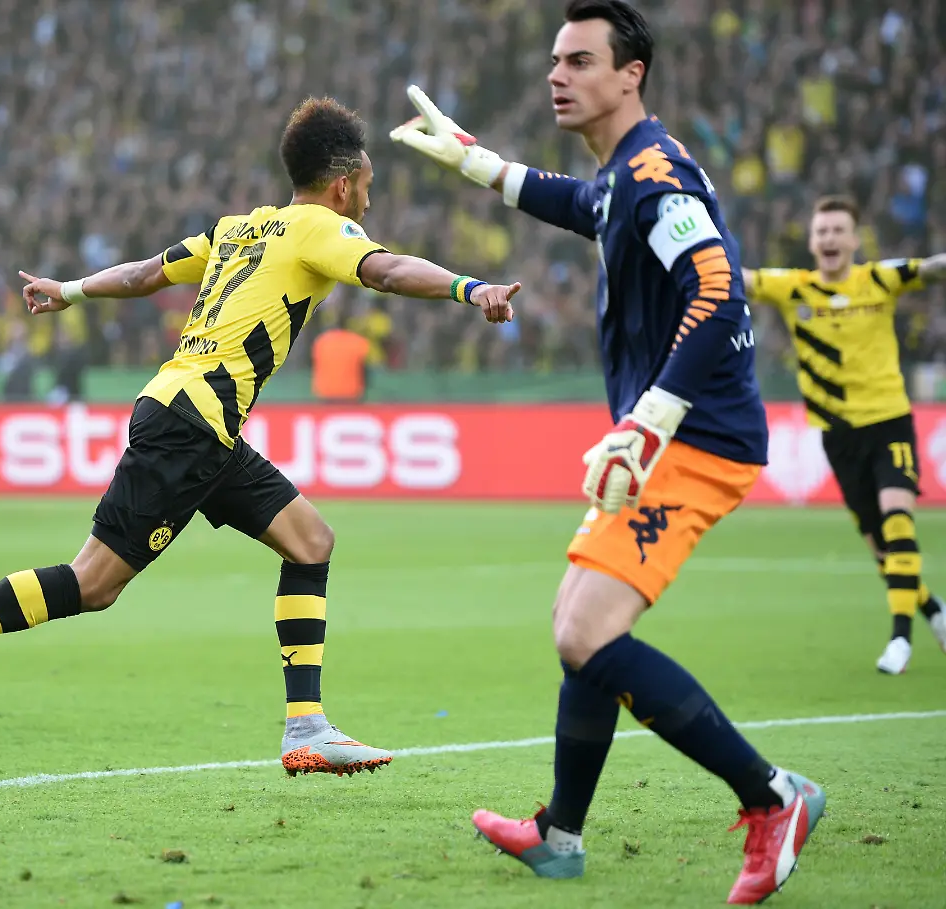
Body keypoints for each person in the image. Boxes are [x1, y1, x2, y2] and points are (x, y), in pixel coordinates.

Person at [0, 97, 521, 777]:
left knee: (311, 541)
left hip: (198, 421)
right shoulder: (324, 227)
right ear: (343, 185)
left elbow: (146, 273)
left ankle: (307, 727)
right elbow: (387, 270)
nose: (369, 203)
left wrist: (72, 290)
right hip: (191, 425)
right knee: (93, 583)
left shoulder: (238, 228)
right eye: (369, 187)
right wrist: (469, 289)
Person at [391, 1, 822, 903]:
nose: (558, 74)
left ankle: (772, 797)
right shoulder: (625, 174)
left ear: (632, 75)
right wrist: (478, 162)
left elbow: (718, 288)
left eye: (581, 60)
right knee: (577, 625)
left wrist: (651, 416)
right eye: (556, 60)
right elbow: (582, 205)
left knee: (586, 631)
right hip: (674, 431)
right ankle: (560, 835)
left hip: (696, 437)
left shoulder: (656, 177)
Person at [744, 196, 946, 674]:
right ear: (812, 242)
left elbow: (931, 269)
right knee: (882, 549)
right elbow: (739, 278)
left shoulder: (879, 279)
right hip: (838, 436)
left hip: (889, 422)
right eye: (822, 232)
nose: (829, 238)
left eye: (838, 230)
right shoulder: (794, 288)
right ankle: (936, 613)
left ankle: (900, 639)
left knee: (898, 523)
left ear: (855, 240)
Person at [311, 321, 372, 402]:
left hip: (325, 393)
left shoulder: (321, 341)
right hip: (351, 394)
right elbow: (364, 368)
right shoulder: (358, 341)